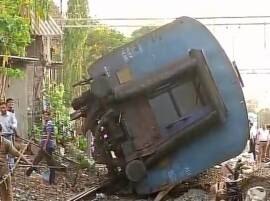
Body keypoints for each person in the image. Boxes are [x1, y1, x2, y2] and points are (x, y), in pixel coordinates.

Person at [0, 124, 32, 201]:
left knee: (7, 194)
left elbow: (16, 153)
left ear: (1, 132)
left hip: (3, 173)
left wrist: (27, 161)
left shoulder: (6, 143)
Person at [26, 110, 56, 184]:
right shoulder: (46, 123)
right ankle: (29, 172)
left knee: (49, 162)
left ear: (49, 116)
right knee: (38, 159)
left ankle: (52, 180)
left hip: (47, 146)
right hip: (45, 146)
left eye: (47, 115)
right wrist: (40, 143)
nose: (45, 116)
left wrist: (45, 145)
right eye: (44, 115)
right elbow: (44, 136)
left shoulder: (49, 123)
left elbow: (48, 135)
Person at [0, 102, 17, 171]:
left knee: (11, 153)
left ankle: (11, 169)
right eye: (1, 108)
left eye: (3, 107)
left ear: (6, 108)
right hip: (1, 137)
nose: (2, 109)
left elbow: (15, 124)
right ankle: (4, 169)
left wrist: (12, 126)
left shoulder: (11, 115)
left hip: (9, 136)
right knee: (3, 154)